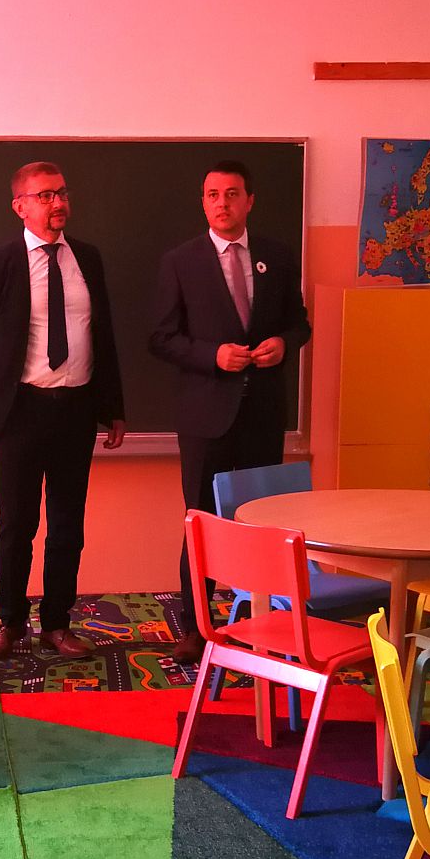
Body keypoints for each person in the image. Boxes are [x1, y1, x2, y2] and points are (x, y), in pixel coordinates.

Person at [150, 160, 313, 663]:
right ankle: (197, 625)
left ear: (249, 201)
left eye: (232, 193)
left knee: (263, 521)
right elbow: (161, 338)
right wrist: (211, 356)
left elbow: (299, 323)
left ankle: (263, 620)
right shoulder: (180, 262)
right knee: (201, 519)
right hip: (205, 415)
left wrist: (284, 345)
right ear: (204, 203)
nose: (222, 203)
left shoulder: (278, 257)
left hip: (262, 412)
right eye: (213, 194)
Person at [0, 161, 126, 660]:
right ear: (20, 206)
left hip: (76, 408)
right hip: (21, 410)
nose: (57, 203)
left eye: (62, 193)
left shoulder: (88, 259)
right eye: (45, 196)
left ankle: (58, 622)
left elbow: (104, 335)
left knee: (67, 525)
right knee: (16, 524)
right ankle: (10, 623)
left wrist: (113, 408)